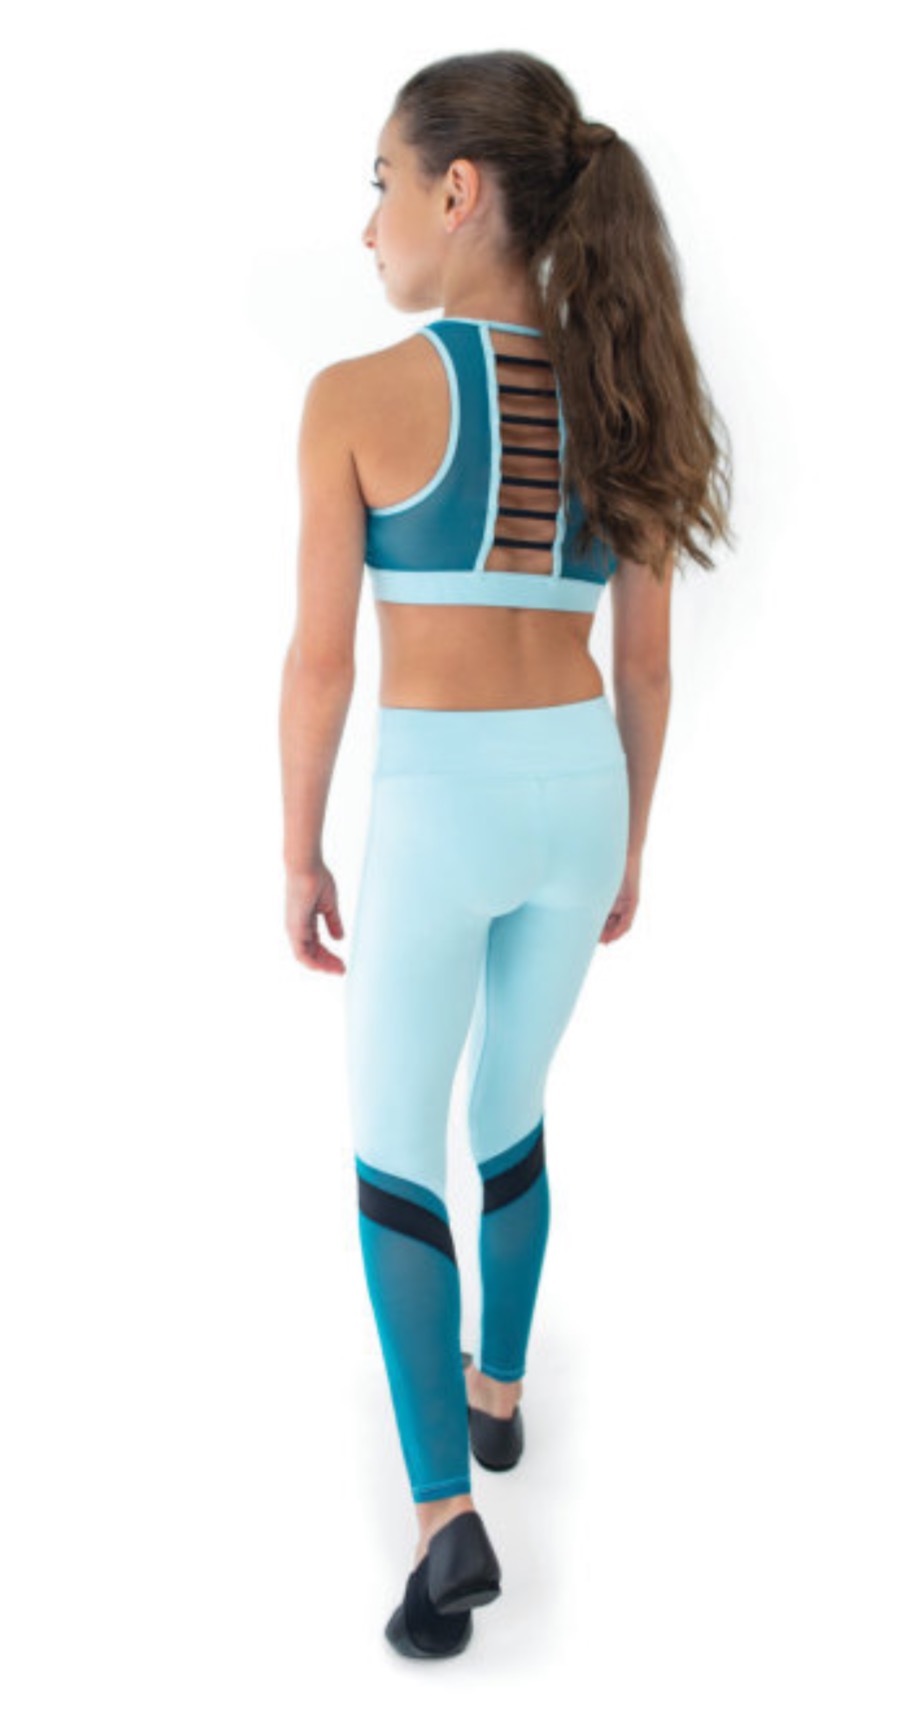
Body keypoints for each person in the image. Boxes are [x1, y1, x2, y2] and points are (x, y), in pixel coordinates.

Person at [279, 49, 734, 1660]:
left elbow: (321, 665)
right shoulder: (627, 388)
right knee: (511, 1107)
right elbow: (648, 666)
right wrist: (630, 840)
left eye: (382, 185)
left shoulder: (357, 397)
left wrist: (296, 852)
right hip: (580, 792)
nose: (370, 226)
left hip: (437, 803)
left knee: (393, 1150)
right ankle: (497, 1387)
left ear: (458, 191)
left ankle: (443, 1526)